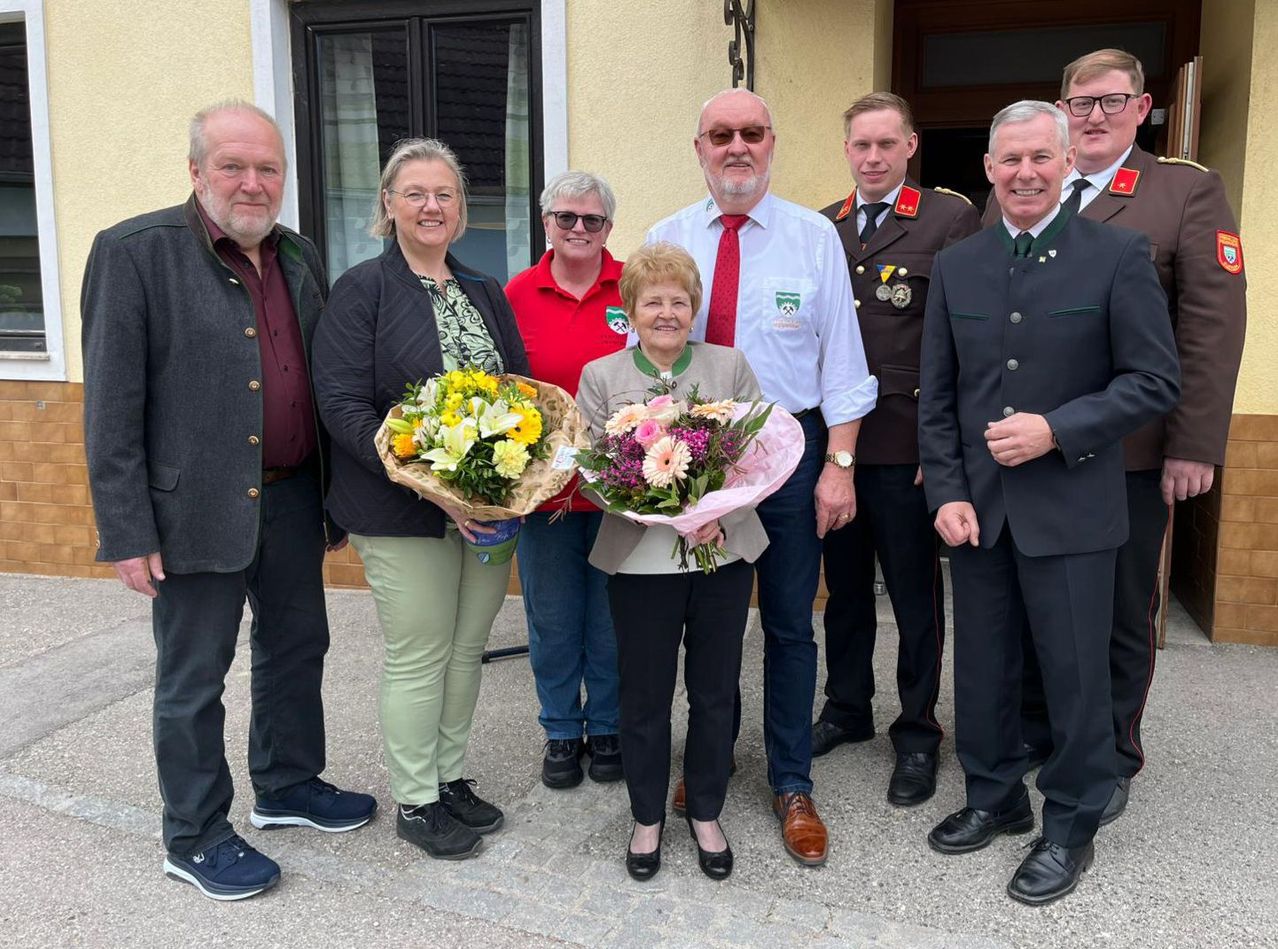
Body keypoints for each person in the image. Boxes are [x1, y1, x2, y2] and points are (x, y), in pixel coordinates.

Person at [81, 100, 376, 902]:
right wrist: (127, 530)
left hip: (288, 499)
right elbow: (110, 406)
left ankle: (286, 785)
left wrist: (335, 496)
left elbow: (317, 379)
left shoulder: (299, 255)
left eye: (267, 168)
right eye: (233, 166)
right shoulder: (134, 253)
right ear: (196, 171)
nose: (253, 183)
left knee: (295, 648)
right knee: (192, 678)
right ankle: (195, 832)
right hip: (189, 516)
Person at [919, 100, 1179, 905]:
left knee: (1073, 674)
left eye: (1040, 157)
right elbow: (940, 396)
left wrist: (1057, 429)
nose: (1025, 173)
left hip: (1073, 507)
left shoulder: (1117, 255)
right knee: (985, 667)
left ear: (1068, 164)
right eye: (1009, 160)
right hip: (979, 513)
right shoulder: (958, 264)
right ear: (989, 171)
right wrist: (948, 493)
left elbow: (1153, 380)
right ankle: (995, 795)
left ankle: (1070, 821)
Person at [983, 49, 1248, 824]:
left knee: (1120, 609)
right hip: (1025, 457)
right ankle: (1048, 731)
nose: (1093, 115)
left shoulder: (1183, 193)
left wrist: (1194, 443)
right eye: (1080, 102)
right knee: (1040, 606)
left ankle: (1112, 750)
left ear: (1144, 107)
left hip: (1127, 453)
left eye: (1110, 100)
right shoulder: (1028, 193)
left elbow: (1209, 325)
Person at [648, 89, 877, 866]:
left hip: (788, 454)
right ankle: (708, 762)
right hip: (692, 457)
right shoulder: (667, 236)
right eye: (721, 134)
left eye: (751, 133)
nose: (736, 146)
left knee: (786, 620)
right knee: (705, 623)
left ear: (772, 143)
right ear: (699, 146)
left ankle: (791, 780)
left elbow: (845, 367)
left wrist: (838, 466)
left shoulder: (814, 238)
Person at [312, 138, 529, 862]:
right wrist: (427, 482)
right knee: (421, 652)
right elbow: (340, 403)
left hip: (488, 512)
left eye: (444, 194)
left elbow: (522, 395)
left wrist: (516, 482)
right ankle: (415, 797)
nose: (431, 206)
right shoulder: (363, 290)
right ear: (389, 205)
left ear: (461, 208)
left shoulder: (485, 291)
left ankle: (449, 775)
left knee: (467, 649)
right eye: (415, 194)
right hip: (399, 509)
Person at [576, 242, 766, 882]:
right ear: (630, 308)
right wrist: (639, 499)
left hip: (720, 556)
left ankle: (706, 810)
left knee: (715, 692)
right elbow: (591, 471)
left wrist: (722, 508)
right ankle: (647, 816)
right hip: (639, 565)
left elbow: (755, 456)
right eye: (651, 300)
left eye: (678, 301)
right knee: (645, 697)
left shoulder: (728, 365)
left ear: (695, 308)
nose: (665, 312)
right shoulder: (602, 377)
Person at [813, 92, 981, 807]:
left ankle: (916, 731)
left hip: (909, 446)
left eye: (887, 144)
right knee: (843, 595)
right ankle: (847, 707)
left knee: (915, 600)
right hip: (836, 450)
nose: (874, 157)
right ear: (847, 150)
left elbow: (964, 344)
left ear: (911, 146)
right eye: (861, 145)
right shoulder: (824, 226)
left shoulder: (949, 218)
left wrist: (945, 451)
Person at [505, 171, 625, 790]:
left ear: (609, 226)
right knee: (552, 618)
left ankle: (606, 724)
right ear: (546, 221)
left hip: (620, 495)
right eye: (567, 218)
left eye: (593, 220)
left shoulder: (633, 287)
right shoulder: (516, 294)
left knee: (608, 618)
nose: (579, 229)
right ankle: (559, 729)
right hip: (543, 495)